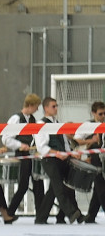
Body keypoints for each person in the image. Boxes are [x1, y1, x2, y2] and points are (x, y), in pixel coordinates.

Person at [34, 96, 84, 225]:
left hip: (62, 159)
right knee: (58, 187)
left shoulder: (58, 123)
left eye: (57, 106)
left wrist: (71, 154)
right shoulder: (40, 124)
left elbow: (65, 144)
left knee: (56, 190)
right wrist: (56, 153)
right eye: (53, 106)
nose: (56, 108)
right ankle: (72, 213)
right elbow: (41, 146)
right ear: (46, 108)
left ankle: (41, 218)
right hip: (49, 160)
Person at [2, 94, 45, 217]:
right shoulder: (15, 118)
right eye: (36, 106)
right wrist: (20, 144)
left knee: (38, 183)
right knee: (23, 185)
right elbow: (6, 138)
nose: (37, 110)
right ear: (30, 105)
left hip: (32, 155)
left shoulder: (33, 120)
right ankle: (10, 212)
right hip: (22, 155)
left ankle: (40, 213)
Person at [73, 101, 105, 223]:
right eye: (100, 114)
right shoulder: (88, 125)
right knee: (101, 186)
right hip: (94, 158)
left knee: (98, 189)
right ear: (93, 113)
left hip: (103, 158)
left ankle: (91, 215)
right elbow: (76, 140)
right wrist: (90, 140)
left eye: (104, 114)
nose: (102, 116)